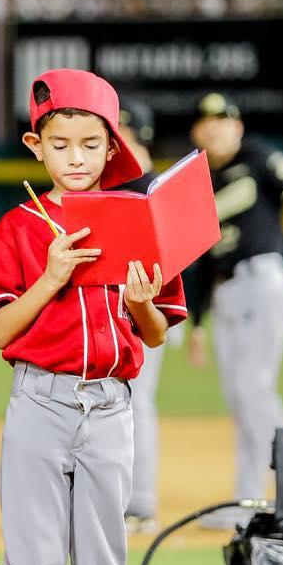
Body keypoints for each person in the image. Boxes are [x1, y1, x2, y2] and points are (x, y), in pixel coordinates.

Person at [0, 68, 187, 565]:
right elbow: (1, 333)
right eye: (60, 144)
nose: (75, 157)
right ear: (37, 146)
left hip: (111, 405)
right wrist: (52, 276)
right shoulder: (20, 227)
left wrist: (141, 304)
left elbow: (155, 337)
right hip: (41, 399)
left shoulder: (141, 220)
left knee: (103, 558)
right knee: (34, 561)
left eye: (90, 144)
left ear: (111, 146)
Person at [186, 92, 283, 525]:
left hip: (263, 279)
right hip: (226, 293)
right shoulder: (198, 180)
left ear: (238, 128)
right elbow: (203, 259)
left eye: (223, 121)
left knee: (254, 388)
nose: (215, 128)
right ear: (197, 132)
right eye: (207, 122)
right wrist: (198, 322)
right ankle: (247, 501)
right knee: (239, 397)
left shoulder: (260, 158)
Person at [114, 96, 175, 535]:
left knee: (137, 402)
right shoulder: (114, 187)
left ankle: (141, 501)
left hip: (144, 307)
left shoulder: (157, 188)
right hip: (110, 308)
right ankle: (122, 498)